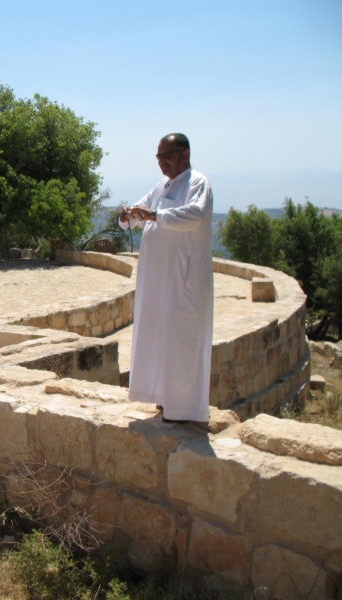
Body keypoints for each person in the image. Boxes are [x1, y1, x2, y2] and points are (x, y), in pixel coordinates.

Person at [119, 133, 213, 423]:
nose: (162, 162)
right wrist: (127, 215)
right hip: (157, 279)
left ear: (185, 154)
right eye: (158, 157)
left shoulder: (198, 182)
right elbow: (141, 210)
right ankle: (162, 396)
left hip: (183, 278)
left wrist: (157, 216)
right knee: (159, 335)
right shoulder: (161, 186)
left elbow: (195, 215)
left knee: (182, 339)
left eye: (167, 155)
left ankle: (184, 408)